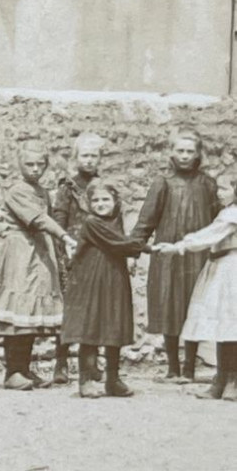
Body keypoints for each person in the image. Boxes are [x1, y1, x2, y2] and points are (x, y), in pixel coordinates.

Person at [0, 144, 77, 391]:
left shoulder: (42, 192)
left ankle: (24, 369)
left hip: (39, 251)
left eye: (40, 165)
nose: (35, 169)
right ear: (20, 165)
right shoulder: (17, 191)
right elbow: (38, 219)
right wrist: (64, 237)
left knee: (32, 312)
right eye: (29, 165)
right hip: (22, 251)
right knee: (18, 307)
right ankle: (12, 372)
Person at [131, 131, 220, 382]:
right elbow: (145, 221)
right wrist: (132, 250)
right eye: (180, 151)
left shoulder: (207, 184)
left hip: (197, 256)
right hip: (168, 254)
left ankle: (190, 366)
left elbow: (217, 221)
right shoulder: (163, 183)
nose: (184, 156)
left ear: (198, 155)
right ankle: (173, 368)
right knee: (169, 305)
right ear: (171, 153)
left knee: (195, 305)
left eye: (189, 151)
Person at [154, 172, 237, 401]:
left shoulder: (232, 214)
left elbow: (208, 236)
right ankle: (220, 380)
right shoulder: (225, 212)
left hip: (231, 270)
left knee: (230, 325)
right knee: (223, 325)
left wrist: (178, 246)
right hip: (219, 266)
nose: (219, 193)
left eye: (224, 188)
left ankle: (232, 381)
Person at [61, 182, 148, 398]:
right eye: (95, 200)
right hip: (91, 280)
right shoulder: (92, 223)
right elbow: (119, 244)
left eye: (105, 200)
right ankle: (86, 380)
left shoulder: (115, 221)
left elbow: (120, 242)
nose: (100, 204)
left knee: (114, 326)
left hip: (114, 278)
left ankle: (113, 380)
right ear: (89, 205)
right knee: (90, 327)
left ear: (115, 202)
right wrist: (147, 247)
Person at [48, 133, 108, 383]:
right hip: (73, 252)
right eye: (85, 155)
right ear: (76, 158)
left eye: (94, 156)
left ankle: (91, 363)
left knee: (96, 309)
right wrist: (62, 249)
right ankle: (61, 364)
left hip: (99, 252)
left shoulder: (103, 187)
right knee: (70, 310)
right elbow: (59, 219)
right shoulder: (67, 187)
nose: (89, 160)